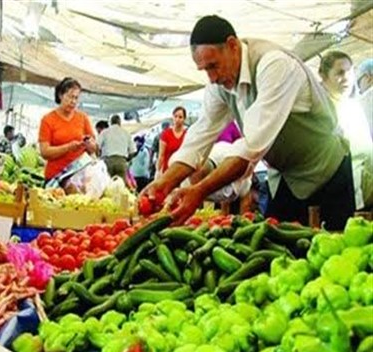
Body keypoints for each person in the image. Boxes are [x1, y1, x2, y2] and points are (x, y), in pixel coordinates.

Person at [143, 15, 354, 230]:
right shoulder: (219, 84)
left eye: (213, 66)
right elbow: (198, 138)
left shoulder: (275, 65)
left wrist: (200, 191)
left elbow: (250, 148)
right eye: (204, 69)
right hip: (284, 179)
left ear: (232, 46)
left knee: (334, 248)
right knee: (279, 251)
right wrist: (164, 183)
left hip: (326, 173)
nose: (211, 77)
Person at [319, 51, 373, 210]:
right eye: (340, 73)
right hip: (339, 198)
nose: (347, 78)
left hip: (364, 196)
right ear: (324, 76)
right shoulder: (321, 110)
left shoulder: (354, 106)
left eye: (350, 72)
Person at [38, 77, 98, 188]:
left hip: (79, 179)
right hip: (55, 178)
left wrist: (90, 145)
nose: (73, 101)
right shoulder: (47, 120)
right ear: (61, 95)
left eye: (76, 98)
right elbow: (44, 152)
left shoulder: (83, 118)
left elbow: (94, 148)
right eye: (70, 97)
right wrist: (68, 147)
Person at [97, 114, 135, 181]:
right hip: (121, 161)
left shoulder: (105, 132)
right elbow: (132, 151)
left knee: (108, 185)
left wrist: (99, 156)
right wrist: (127, 159)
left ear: (111, 122)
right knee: (120, 186)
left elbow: (97, 146)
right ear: (120, 122)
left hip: (108, 161)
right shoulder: (126, 133)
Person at [158, 107, 188, 174]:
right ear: (173, 117)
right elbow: (161, 156)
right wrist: (158, 172)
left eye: (180, 117)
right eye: (175, 116)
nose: (177, 119)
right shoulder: (165, 134)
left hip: (182, 172)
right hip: (167, 171)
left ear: (184, 119)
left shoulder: (187, 135)